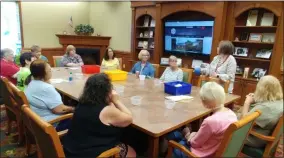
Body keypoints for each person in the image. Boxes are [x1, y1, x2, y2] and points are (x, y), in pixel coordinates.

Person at [62, 73, 136, 158]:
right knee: (132, 152)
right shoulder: (107, 111)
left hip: (71, 150)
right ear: (107, 91)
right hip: (89, 154)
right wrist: (116, 101)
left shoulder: (82, 102)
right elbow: (129, 118)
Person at [165, 82, 237, 158]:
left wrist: (189, 135)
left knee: (174, 136)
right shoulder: (232, 114)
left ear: (205, 103)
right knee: (182, 133)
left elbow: (194, 143)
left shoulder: (210, 121)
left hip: (200, 154)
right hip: (214, 150)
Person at [24, 60, 74, 130]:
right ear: (44, 73)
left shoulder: (32, 82)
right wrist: (74, 109)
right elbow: (59, 110)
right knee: (81, 117)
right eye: (50, 70)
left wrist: (46, 80)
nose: (51, 72)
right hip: (50, 124)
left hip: (37, 119)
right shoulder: (46, 88)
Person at [241, 75, 283, 148]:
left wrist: (247, 102)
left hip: (254, 137)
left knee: (222, 130)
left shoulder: (265, 108)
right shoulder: (280, 101)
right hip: (265, 134)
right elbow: (268, 101)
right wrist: (257, 97)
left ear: (262, 89)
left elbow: (243, 121)